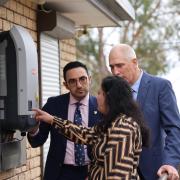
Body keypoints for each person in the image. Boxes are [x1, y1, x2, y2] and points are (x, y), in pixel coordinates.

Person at [32, 75, 150, 180]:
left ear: (110, 98)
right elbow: (84, 134)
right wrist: (52, 120)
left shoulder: (122, 128)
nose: (96, 97)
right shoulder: (112, 123)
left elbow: (117, 174)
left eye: (100, 93)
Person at [108, 43, 180, 180]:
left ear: (134, 62)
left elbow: (175, 129)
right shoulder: (112, 92)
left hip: (154, 171)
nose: (115, 72)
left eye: (119, 65)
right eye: (111, 67)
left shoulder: (160, 86)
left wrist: (170, 163)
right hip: (120, 173)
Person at [27, 61, 102, 180]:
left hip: (91, 172)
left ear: (90, 79)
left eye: (82, 79)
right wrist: (33, 129)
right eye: (72, 81)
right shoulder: (54, 104)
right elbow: (37, 141)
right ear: (65, 84)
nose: (79, 85)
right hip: (60, 173)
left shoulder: (101, 106)